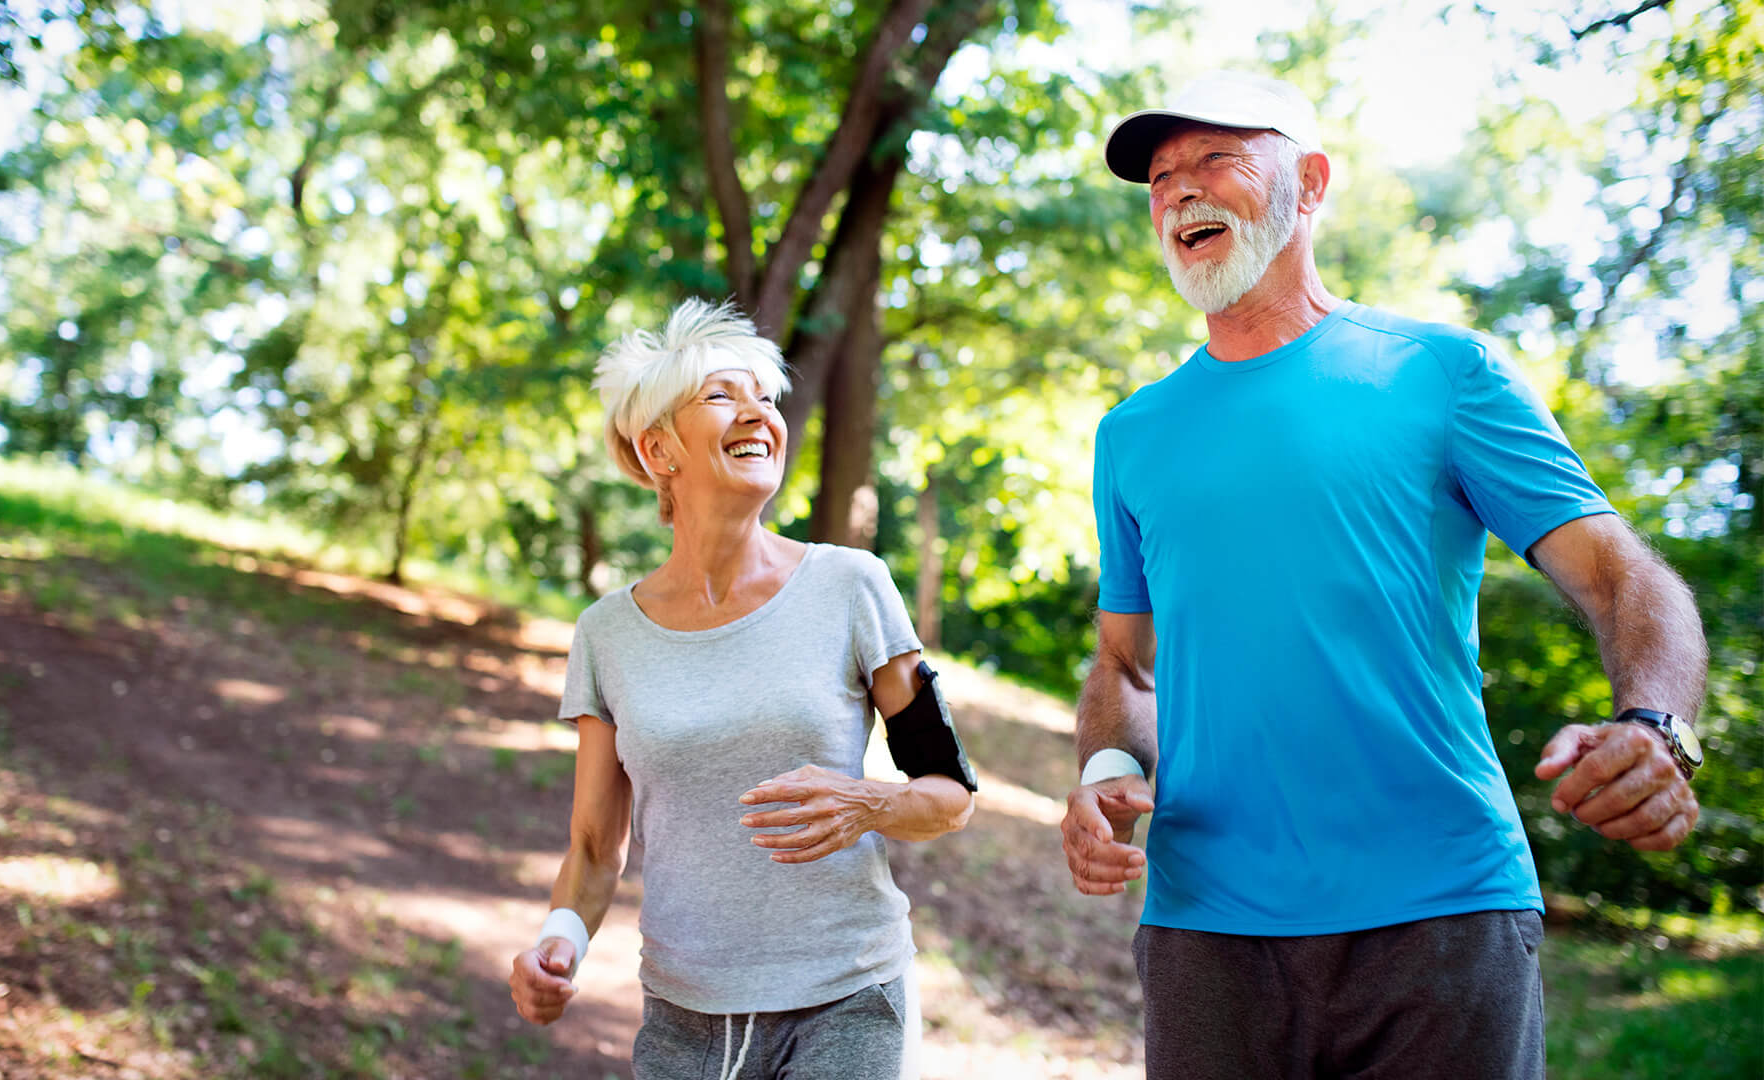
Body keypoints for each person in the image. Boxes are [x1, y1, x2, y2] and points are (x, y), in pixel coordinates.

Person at [1059, 71, 1708, 1079]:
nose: (1180, 190)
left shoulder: (1440, 373)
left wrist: (1655, 727)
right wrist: (1107, 772)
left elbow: (1624, 578)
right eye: (1160, 176)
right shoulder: (1133, 433)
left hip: (1440, 915)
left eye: (1216, 160)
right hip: (1205, 929)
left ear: (1309, 184)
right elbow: (1127, 667)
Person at [508, 298, 976, 1080]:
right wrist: (561, 936)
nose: (758, 413)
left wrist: (867, 802)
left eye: (766, 397)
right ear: (659, 448)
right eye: (724, 395)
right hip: (682, 1015)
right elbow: (594, 848)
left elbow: (951, 793)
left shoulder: (852, 587)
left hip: (847, 998)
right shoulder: (606, 635)